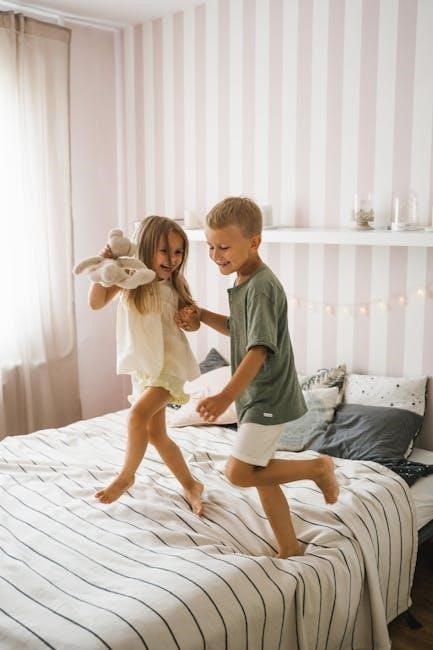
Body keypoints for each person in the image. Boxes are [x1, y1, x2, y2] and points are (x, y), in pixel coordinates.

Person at [176, 197, 339, 557]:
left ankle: (318, 467)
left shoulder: (262, 287)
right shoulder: (245, 279)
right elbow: (240, 329)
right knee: (261, 473)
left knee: (238, 473)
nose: (215, 255)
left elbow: (257, 350)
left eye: (223, 247)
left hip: (267, 396)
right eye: (210, 246)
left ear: (254, 242)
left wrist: (225, 395)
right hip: (256, 396)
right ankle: (289, 547)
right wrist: (202, 315)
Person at [89, 216, 204, 514]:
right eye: (165, 251)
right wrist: (104, 265)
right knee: (156, 435)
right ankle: (192, 485)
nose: (173, 259)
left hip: (170, 365)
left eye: (178, 252)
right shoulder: (130, 279)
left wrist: (190, 320)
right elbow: (96, 302)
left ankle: (126, 476)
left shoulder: (176, 285)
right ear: (147, 248)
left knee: (136, 416)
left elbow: (193, 323)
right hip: (144, 369)